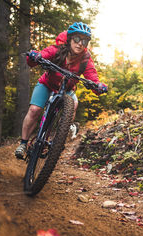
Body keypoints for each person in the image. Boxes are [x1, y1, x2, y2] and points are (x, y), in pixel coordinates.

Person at [15, 22, 107, 159]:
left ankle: (60, 136)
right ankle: (23, 143)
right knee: (34, 110)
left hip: (67, 90)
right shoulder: (57, 50)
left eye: (84, 41)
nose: (80, 43)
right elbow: (40, 56)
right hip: (47, 85)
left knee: (74, 104)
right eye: (77, 39)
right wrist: (35, 56)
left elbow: (92, 77)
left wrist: (98, 86)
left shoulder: (86, 59)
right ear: (69, 39)